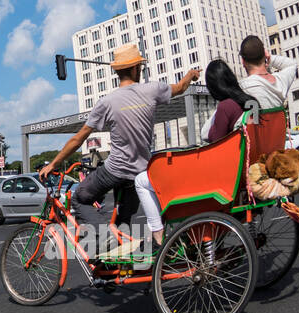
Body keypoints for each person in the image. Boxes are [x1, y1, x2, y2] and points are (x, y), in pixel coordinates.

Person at [40, 44, 199, 260]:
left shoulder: (107, 102)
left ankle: (105, 237)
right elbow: (180, 87)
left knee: (79, 198)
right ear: (135, 69)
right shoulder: (153, 90)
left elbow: (79, 138)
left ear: (118, 71)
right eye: (139, 67)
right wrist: (190, 75)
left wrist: (54, 164)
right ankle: (117, 260)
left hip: (114, 171)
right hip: (140, 173)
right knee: (123, 223)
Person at [134, 59, 247, 248]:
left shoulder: (226, 106)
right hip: (233, 170)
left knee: (141, 181)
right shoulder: (242, 102)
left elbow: (215, 142)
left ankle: (159, 237)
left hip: (216, 175)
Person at [239, 35, 296, 110]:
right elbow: (291, 64)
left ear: (243, 61)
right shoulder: (280, 83)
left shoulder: (242, 88)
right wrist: (270, 58)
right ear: (264, 55)